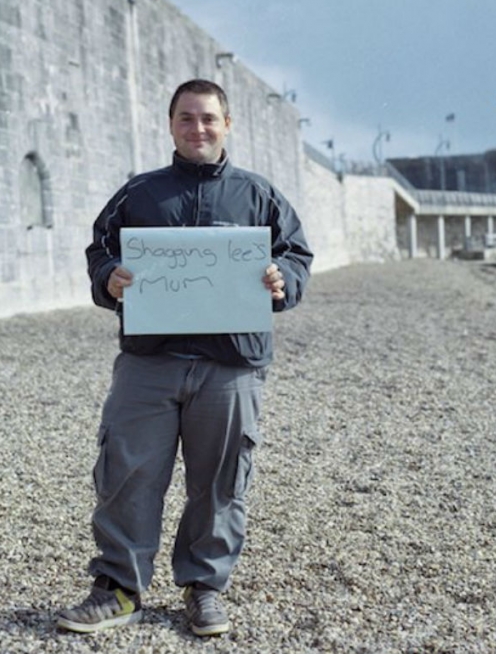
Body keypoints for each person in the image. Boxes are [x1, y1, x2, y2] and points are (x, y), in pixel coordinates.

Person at [56, 79, 312, 637]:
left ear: (228, 125)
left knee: (220, 481)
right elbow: (101, 248)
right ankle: (119, 588)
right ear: (170, 125)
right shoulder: (139, 194)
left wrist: (281, 279)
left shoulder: (259, 195)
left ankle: (204, 588)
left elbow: (296, 254)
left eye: (209, 118)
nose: (198, 128)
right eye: (187, 119)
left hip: (231, 365)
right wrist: (110, 278)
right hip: (150, 361)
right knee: (127, 473)